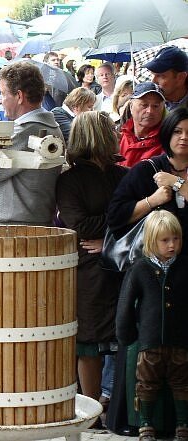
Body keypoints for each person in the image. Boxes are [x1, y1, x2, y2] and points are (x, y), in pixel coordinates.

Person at [106, 107, 188, 436]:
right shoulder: (147, 170)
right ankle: (142, 423)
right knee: (144, 355)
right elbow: (116, 217)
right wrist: (154, 199)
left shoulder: (175, 176)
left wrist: (178, 185)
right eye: (178, 130)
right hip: (150, 275)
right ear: (167, 133)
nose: (184, 138)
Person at [56, 111, 127, 413]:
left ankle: (115, 406)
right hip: (88, 270)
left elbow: (141, 219)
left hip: (121, 264)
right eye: (111, 130)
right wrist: (121, 218)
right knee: (89, 342)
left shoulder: (122, 174)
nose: (117, 134)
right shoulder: (70, 180)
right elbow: (81, 226)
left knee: (122, 337)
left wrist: (108, 238)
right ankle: (91, 409)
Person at [116, 210, 188, 441]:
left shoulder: (185, 267)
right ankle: (145, 423)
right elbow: (125, 304)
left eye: (176, 239)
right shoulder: (140, 269)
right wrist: (125, 334)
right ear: (151, 241)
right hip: (149, 340)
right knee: (146, 382)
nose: (172, 245)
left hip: (180, 340)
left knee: (182, 382)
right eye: (165, 240)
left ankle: (183, 424)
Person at [0, 61, 64, 225]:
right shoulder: (49, 126)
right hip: (27, 223)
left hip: (16, 227)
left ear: (19, 96)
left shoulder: (27, 130)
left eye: (3, 94)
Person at [119, 82, 166, 168]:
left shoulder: (168, 143)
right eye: (144, 105)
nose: (150, 111)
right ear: (131, 106)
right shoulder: (118, 137)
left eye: (156, 106)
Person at [145, 45, 188, 111]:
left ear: (180, 78)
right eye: (152, 74)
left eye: (160, 76)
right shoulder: (146, 103)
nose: (153, 81)